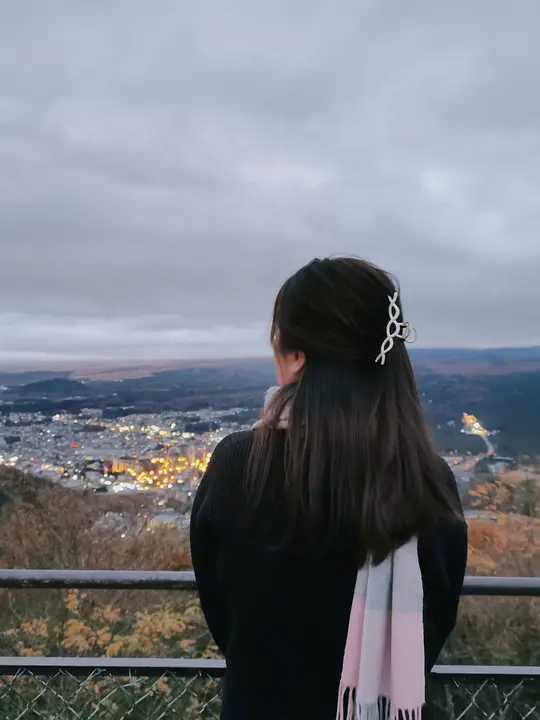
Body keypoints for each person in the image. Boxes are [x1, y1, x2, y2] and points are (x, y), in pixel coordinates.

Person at [190, 256, 468, 720]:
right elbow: (434, 619)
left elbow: (221, 611)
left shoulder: (239, 465)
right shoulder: (426, 478)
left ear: (297, 356)